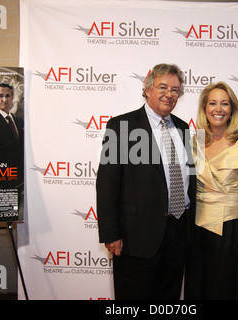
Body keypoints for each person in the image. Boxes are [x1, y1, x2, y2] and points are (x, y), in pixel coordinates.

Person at [96, 63, 196, 300]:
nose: (169, 94)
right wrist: (111, 234)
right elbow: (107, 184)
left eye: (175, 90)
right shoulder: (121, 126)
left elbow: (187, 178)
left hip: (177, 235)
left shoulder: (183, 128)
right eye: (163, 87)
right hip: (136, 238)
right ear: (148, 88)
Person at [185, 82, 238, 300]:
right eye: (212, 103)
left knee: (222, 291)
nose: (218, 109)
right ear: (204, 108)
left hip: (228, 229)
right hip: (196, 229)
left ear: (232, 110)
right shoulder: (195, 141)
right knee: (195, 291)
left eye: (224, 103)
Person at [0, 82, 24, 167]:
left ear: (12, 98)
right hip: (1, 173)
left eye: (8, 96)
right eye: (0, 96)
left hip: (19, 172)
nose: (5, 99)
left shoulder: (19, 121)